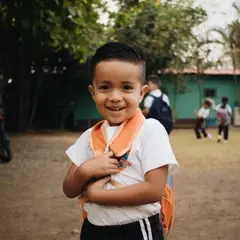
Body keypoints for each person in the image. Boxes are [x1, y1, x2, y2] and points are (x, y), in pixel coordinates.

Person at [63, 42, 179, 240]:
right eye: (105, 87)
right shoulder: (90, 136)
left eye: (126, 87)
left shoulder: (150, 130)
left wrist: (98, 195)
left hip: (136, 229)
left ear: (141, 93)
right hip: (93, 229)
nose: (115, 97)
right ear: (93, 92)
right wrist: (85, 170)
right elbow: (69, 189)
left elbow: (154, 190)